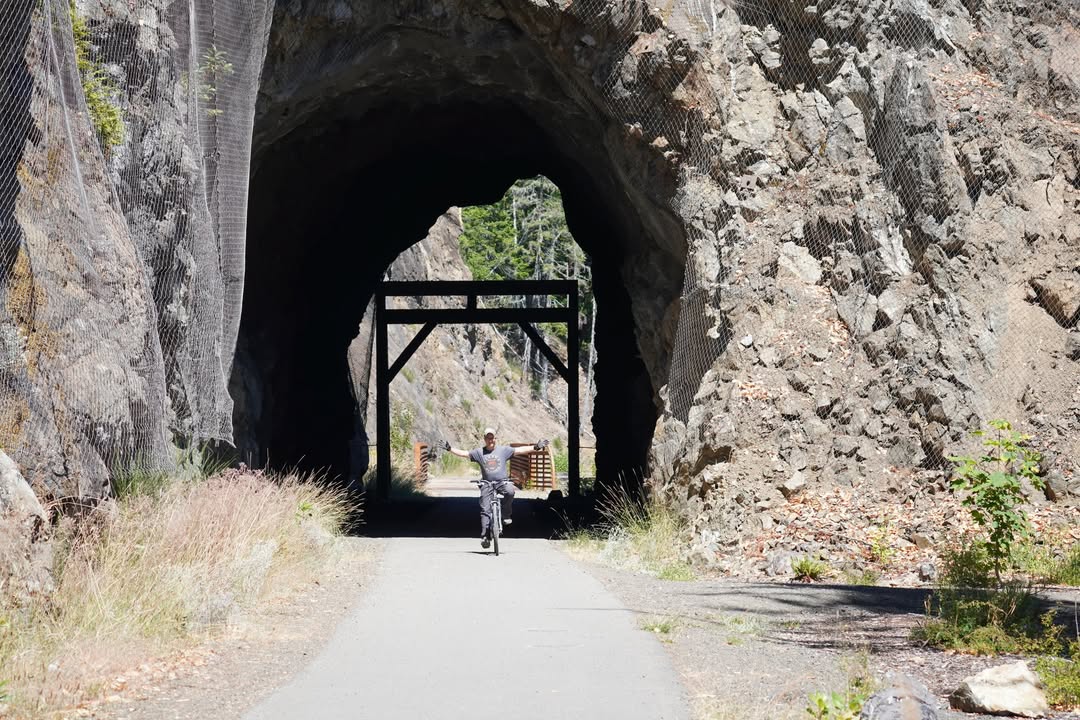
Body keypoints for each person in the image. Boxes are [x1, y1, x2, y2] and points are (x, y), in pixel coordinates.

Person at [445, 428, 547, 548]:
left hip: (502, 482)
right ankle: (485, 536)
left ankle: (505, 514)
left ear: (495, 438)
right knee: (485, 508)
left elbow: (519, 450)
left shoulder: (503, 450)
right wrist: (450, 449)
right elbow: (465, 454)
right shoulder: (479, 452)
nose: (490, 440)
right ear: (485, 439)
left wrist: (536, 447)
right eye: (488, 438)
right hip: (487, 483)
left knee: (510, 491)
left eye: (492, 438)